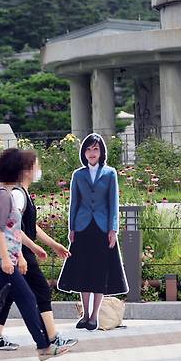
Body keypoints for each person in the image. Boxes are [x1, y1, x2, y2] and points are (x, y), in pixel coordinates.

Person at [0, 148, 69, 361]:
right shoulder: (4, 196)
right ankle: (44, 346)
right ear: (18, 170)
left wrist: (30, 250)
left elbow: (12, 229)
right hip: (0, 261)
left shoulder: (1, 192)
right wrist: (7, 259)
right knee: (28, 299)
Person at [58, 133, 128, 330]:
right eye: (88, 149)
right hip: (82, 227)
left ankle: (94, 316)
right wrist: (71, 228)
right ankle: (85, 315)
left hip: (102, 228)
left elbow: (113, 202)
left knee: (99, 272)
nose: (92, 153)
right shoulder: (78, 175)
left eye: (95, 149)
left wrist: (113, 229)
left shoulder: (110, 173)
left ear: (101, 152)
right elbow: (74, 203)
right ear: (84, 152)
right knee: (83, 271)